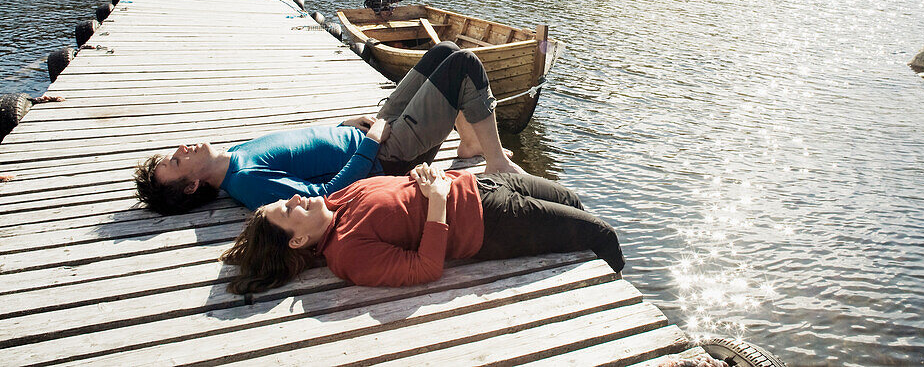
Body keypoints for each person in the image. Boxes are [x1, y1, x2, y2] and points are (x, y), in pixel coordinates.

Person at [134, 42, 523, 214]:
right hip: (387, 155)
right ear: (191, 186)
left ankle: (470, 146)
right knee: (464, 65)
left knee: (445, 51)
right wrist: (369, 145)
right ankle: (495, 163)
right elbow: (323, 196)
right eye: (177, 161)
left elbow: (305, 146)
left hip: (366, 134)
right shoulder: (247, 184)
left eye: (175, 152)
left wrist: (345, 125)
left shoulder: (235, 153)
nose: (182, 149)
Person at [221, 164, 624, 293]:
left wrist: (422, 174)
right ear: (298, 240)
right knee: (602, 234)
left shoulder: (334, 201)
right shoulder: (347, 253)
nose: (294, 198)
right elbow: (425, 268)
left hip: (480, 182)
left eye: (285, 199)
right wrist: (437, 201)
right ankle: (620, 291)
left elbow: (397, 192)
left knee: (571, 200)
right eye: (287, 210)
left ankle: (600, 266)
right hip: (492, 222)